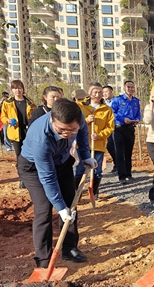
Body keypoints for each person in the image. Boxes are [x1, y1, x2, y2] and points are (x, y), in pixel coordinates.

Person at [18, 98, 96, 267]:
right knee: (44, 208)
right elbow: (47, 177)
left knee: (71, 205)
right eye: (61, 131)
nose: (67, 134)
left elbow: (83, 132)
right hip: (33, 167)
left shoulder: (78, 118)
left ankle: (69, 248)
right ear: (52, 119)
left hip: (61, 160)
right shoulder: (41, 138)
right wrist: (59, 208)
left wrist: (85, 155)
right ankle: (43, 259)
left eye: (71, 130)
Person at [75, 82, 115, 198]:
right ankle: (76, 193)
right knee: (79, 169)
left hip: (98, 145)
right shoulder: (80, 106)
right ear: (89, 93)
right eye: (95, 92)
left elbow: (110, 127)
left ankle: (95, 192)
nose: (98, 94)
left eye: (100, 92)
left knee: (97, 171)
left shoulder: (107, 110)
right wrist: (86, 120)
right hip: (82, 144)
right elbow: (74, 122)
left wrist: (100, 135)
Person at [110, 80, 140, 184]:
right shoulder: (117, 100)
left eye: (132, 87)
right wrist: (123, 119)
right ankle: (121, 176)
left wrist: (137, 119)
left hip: (130, 129)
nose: (131, 89)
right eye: (128, 87)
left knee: (128, 152)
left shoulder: (136, 101)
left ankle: (128, 173)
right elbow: (112, 113)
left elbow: (138, 114)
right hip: (119, 128)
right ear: (124, 88)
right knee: (119, 152)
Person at [0, 79, 36, 159]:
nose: (18, 90)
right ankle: (20, 168)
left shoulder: (30, 102)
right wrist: (8, 120)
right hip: (15, 130)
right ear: (12, 90)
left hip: (28, 130)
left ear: (23, 89)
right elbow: (3, 117)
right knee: (19, 154)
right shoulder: (8, 103)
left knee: (30, 152)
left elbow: (36, 114)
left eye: (20, 88)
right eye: (15, 88)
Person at [102, 85, 117, 173]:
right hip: (107, 127)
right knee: (110, 146)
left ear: (111, 91)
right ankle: (116, 163)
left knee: (116, 146)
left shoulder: (117, 101)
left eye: (106, 92)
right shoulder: (103, 102)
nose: (105, 94)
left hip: (116, 126)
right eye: (103, 92)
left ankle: (119, 165)